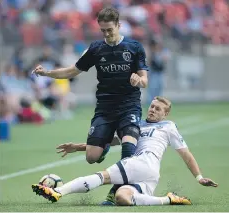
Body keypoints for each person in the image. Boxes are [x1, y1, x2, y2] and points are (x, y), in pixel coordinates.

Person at [31, 96, 218, 206]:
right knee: (122, 199)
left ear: (165, 114)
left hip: (144, 162)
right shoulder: (136, 126)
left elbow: (186, 154)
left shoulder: (168, 127)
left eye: (158, 109)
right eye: (152, 106)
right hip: (147, 173)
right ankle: (167, 199)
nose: (153, 110)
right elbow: (110, 141)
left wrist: (199, 177)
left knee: (101, 177)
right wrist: (78, 147)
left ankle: (59, 192)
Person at [32, 7, 148, 165]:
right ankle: (106, 144)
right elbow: (72, 71)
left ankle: (125, 185)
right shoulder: (96, 49)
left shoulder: (134, 47)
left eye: (109, 30)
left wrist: (138, 80)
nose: (106, 34)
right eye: (103, 30)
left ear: (118, 25)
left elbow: (144, 80)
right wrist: (47, 73)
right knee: (91, 157)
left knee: (128, 150)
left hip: (129, 106)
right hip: (105, 108)